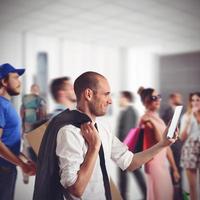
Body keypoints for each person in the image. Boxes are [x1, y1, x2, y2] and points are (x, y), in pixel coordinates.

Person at [33, 71, 178, 200]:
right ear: (89, 94)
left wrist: (162, 144)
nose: (110, 101)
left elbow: (130, 162)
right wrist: (94, 148)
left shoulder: (102, 129)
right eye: (106, 94)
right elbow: (76, 190)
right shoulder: (69, 132)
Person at [0, 63, 36, 200]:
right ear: (4, 81)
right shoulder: (0, 105)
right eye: (15, 77)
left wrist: (24, 161)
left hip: (8, 168)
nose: (19, 82)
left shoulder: (7, 105)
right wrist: (21, 164)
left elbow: (7, 142)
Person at [137, 87, 180, 200]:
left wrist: (174, 168)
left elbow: (166, 146)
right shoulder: (145, 119)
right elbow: (159, 141)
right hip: (153, 163)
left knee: (167, 194)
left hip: (163, 163)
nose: (158, 100)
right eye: (154, 97)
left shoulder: (158, 119)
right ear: (146, 101)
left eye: (159, 97)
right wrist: (153, 123)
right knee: (160, 195)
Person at [117, 91, 146, 200]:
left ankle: (125, 196)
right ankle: (125, 195)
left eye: (120, 98)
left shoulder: (129, 112)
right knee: (130, 173)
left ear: (126, 98)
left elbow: (127, 132)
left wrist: (122, 150)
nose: (118, 101)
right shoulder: (127, 111)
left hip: (126, 150)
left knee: (129, 173)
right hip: (127, 149)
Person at [20, 83, 47, 183]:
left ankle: (27, 175)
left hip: (30, 128)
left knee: (28, 150)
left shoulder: (26, 99)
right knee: (34, 151)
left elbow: (22, 113)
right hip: (33, 128)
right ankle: (30, 175)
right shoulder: (40, 100)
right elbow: (43, 114)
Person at [161, 92, 184, 200]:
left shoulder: (182, 112)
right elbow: (164, 129)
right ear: (171, 99)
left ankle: (179, 194)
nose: (179, 99)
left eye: (179, 98)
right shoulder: (166, 112)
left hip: (180, 146)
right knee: (172, 170)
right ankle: (174, 195)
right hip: (170, 146)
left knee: (180, 170)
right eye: (177, 97)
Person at [180, 92, 200, 200]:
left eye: (198, 100)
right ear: (190, 102)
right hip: (190, 150)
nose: (195, 102)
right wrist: (188, 122)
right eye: (193, 100)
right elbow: (182, 138)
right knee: (192, 186)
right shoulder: (186, 116)